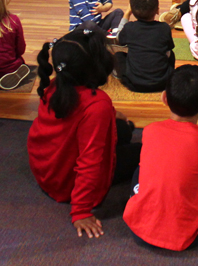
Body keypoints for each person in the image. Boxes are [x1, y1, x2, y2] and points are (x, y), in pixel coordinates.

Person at [123, 65, 198, 250]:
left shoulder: (150, 131)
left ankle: (141, 203)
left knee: (141, 170)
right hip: (183, 235)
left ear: (164, 97)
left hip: (138, 227)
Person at [27, 39, 140, 238]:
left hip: (48, 170)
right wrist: (80, 210)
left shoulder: (56, 85)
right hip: (67, 182)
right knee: (141, 151)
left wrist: (112, 113)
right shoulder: (97, 105)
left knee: (124, 129)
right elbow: (90, 162)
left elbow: (80, 112)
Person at [113, 0, 175, 93]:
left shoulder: (129, 28)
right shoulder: (164, 28)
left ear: (132, 10)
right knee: (171, 54)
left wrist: (127, 14)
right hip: (162, 83)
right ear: (157, 10)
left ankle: (118, 76)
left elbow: (118, 38)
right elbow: (168, 51)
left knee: (119, 56)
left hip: (134, 84)